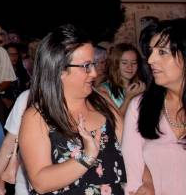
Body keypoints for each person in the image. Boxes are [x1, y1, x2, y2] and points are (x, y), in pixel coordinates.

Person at [20, 25, 125, 195]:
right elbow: (40, 181)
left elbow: (131, 150)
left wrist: (147, 182)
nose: (94, 73)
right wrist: (86, 157)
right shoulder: (37, 117)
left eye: (94, 64)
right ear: (60, 70)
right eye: (86, 66)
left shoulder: (103, 103)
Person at [122, 18, 186, 195]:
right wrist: (144, 186)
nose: (150, 60)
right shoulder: (139, 107)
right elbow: (131, 166)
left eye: (162, 52)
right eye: (150, 52)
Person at [98, 43, 145, 116]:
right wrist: (128, 99)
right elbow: (113, 122)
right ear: (116, 64)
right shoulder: (103, 90)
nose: (130, 67)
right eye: (124, 63)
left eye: (134, 63)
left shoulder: (140, 87)